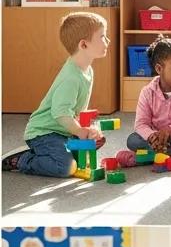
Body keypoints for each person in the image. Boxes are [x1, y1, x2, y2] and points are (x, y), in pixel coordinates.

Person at [3, 11, 109, 176]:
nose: (107, 41)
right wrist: (80, 131)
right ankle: (24, 159)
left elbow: (76, 110)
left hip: (63, 131)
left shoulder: (87, 70)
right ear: (84, 45)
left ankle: (58, 150)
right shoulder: (71, 78)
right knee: (65, 167)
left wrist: (87, 128)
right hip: (44, 132)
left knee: (96, 140)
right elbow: (60, 113)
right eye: (102, 36)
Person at [116, 36, 171, 168]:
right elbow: (141, 124)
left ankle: (142, 158)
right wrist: (151, 136)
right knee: (133, 140)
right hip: (154, 140)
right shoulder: (147, 92)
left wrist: (170, 130)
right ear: (159, 69)